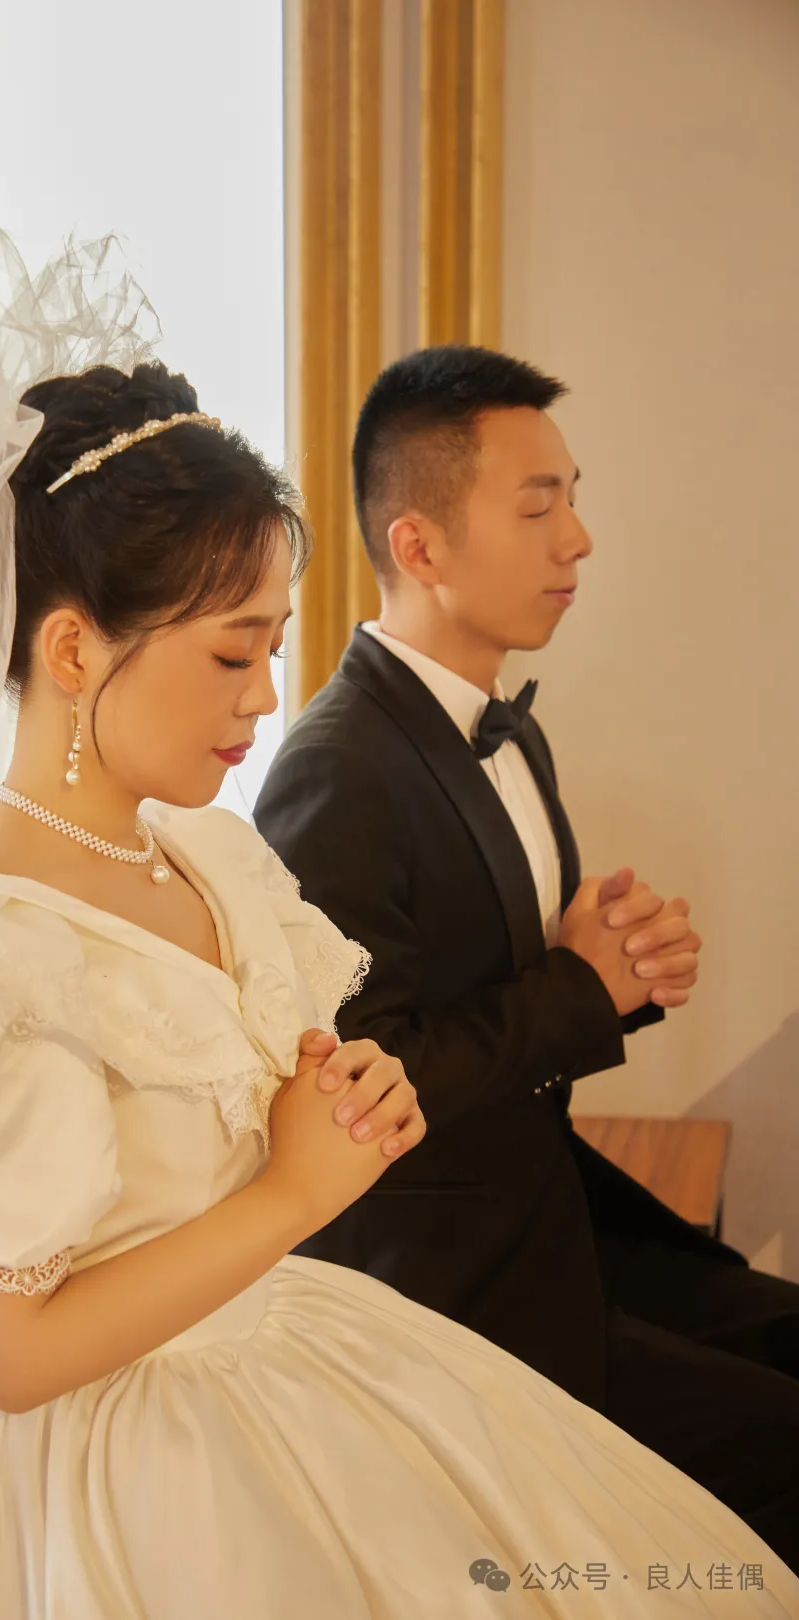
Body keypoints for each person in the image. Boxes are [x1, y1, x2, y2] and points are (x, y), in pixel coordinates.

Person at [0, 208, 794, 1620]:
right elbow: (17, 1358)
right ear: (71, 647)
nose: (266, 697)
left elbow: (276, 1113)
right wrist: (294, 1192)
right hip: (81, 1474)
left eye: (276, 647)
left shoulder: (216, 861)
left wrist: (350, 1097)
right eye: (234, 655)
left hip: (288, 1350)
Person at [253, 345, 799, 1570]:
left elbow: (506, 985)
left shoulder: (504, 733)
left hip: (552, 1210)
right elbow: (354, 1084)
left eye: (573, 500)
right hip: (444, 1285)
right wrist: (580, 987)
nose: (580, 540)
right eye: (539, 507)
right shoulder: (336, 771)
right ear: (421, 546)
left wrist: (620, 975)